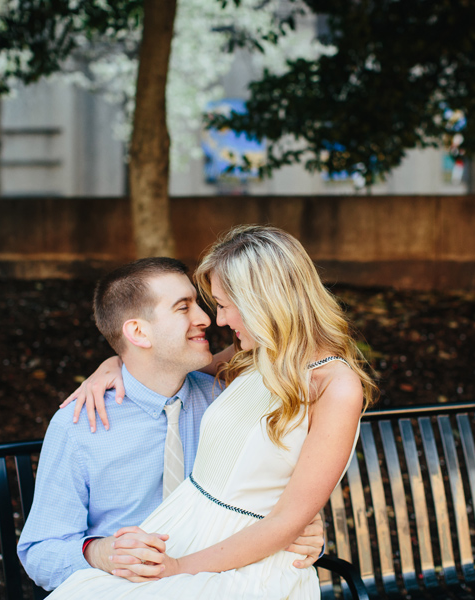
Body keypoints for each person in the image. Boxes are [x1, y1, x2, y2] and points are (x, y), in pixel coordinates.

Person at [47, 225, 376, 599]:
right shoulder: (252, 358)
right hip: (183, 538)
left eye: (222, 304)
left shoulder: (335, 386)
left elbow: (288, 519)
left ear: (263, 300)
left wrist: (178, 570)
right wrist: (111, 364)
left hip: (235, 565)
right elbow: (154, 363)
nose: (217, 320)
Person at [17, 257, 324, 590]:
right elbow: (40, 551)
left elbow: (277, 503)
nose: (206, 318)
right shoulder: (79, 425)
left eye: (200, 304)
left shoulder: (229, 401)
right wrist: (100, 552)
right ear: (137, 332)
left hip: (228, 583)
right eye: (183, 308)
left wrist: (302, 532)